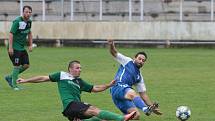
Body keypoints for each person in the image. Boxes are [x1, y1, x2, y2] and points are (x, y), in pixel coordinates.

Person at [17, 60, 136, 121]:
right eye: (77, 68)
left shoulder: (80, 81)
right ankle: (122, 118)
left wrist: (109, 85)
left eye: (81, 68)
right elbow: (43, 78)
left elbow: (95, 88)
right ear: (70, 69)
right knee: (94, 109)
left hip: (74, 109)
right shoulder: (62, 75)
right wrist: (26, 80)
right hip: (70, 105)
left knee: (100, 119)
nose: (80, 70)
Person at [107, 39, 162, 120]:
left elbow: (143, 94)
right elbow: (114, 53)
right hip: (117, 86)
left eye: (143, 60)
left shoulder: (139, 77)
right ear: (134, 58)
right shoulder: (127, 61)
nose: (141, 61)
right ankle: (145, 109)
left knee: (135, 116)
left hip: (122, 96)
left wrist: (151, 107)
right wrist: (111, 44)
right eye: (139, 58)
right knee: (132, 93)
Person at [5, 5, 33, 90]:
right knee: (16, 66)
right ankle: (14, 85)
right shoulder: (17, 21)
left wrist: (30, 44)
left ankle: (10, 77)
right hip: (14, 47)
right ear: (23, 12)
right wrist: (10, 47)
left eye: (29, 12)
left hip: (21, 47)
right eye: (26, 12)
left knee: (26, 65)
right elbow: (11, 34)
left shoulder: (29, 22)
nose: (28, 14)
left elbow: (29, 33)